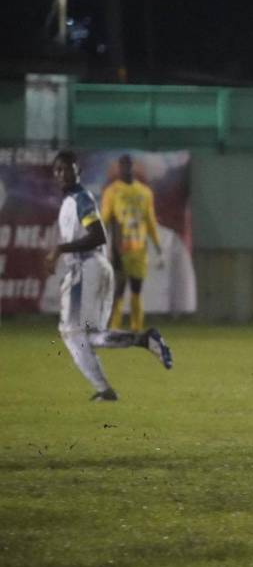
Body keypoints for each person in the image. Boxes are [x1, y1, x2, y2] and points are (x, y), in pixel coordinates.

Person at [45, 150, 173, 401]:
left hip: (88, 267)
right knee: (90, 335)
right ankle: (144, 340)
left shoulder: (80, 199)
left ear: (78, 171)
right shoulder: (73, 200)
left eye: (68, 168)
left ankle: (105, 390)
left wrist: (60, 250)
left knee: (72, 332)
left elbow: (97, 236)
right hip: (95, 267)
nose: (63, 173)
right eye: (58, 170)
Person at [101, 154, 163, 332]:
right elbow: (104, 218)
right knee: (119, 288)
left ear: (132, 167)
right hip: (120, 248)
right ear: (118, 168)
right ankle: (113, 328)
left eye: (128, 165)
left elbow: (150, 221)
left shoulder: (144, 192)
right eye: (122, 165)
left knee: (136, 290)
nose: (125, 169)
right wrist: (97, 241)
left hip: (139, 249)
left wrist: (159, 249)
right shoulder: (112, 191)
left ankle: (136, 328)